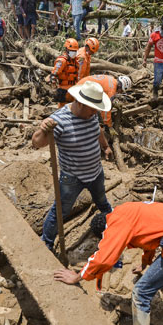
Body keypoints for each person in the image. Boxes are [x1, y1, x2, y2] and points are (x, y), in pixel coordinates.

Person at [31, 80, 113, 251]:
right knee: (59, 212)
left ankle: (112, 225)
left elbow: (98, 130)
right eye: (93, 108)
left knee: (103, 202)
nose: (96, 112)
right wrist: (44, 130)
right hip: (72, 178)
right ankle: (46, 243)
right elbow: (37, 143)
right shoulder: (59, 121)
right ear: (81, 103)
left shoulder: (91, 115)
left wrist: (105, 146)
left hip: (95, 172)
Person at [50, 38, 79, 108]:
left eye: (75, 51)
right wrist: (54, 87)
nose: (74, 52)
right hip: (63, 90)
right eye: (72, 51)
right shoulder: (62, 61)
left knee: (73, 109)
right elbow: (54, 74)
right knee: (62, 109)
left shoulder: (75, 61)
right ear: (67, 49)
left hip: (73, 89)